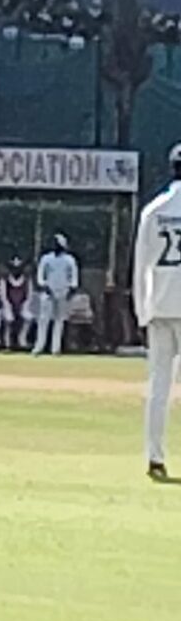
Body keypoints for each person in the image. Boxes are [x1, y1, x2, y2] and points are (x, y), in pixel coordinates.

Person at [134, 143, 181, 481]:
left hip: (160, 305)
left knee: (159, 386)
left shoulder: (154, 209)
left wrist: (141, 309)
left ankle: (155, 456)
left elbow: (140, 266)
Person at [32, 234, 79, 357]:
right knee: (43, 320)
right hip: (48, 292)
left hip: (63, 292)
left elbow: (74, 277)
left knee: (59, 320)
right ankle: (39, 347)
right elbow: (40, 275)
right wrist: (44, 286)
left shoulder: (70, 260)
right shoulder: (46, 259)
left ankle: (55, 349)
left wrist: (71, 290)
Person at [0, 256, 34, 350]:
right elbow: (4, 297)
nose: (16, 271)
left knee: (29, 317)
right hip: (8, 306)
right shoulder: (5, 280)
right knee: (9, 319)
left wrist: (24, 306)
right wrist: (8, 307)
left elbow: (29, 296)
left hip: (23, 306)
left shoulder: (27, 280)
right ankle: (7, 341)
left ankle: (22, 338)